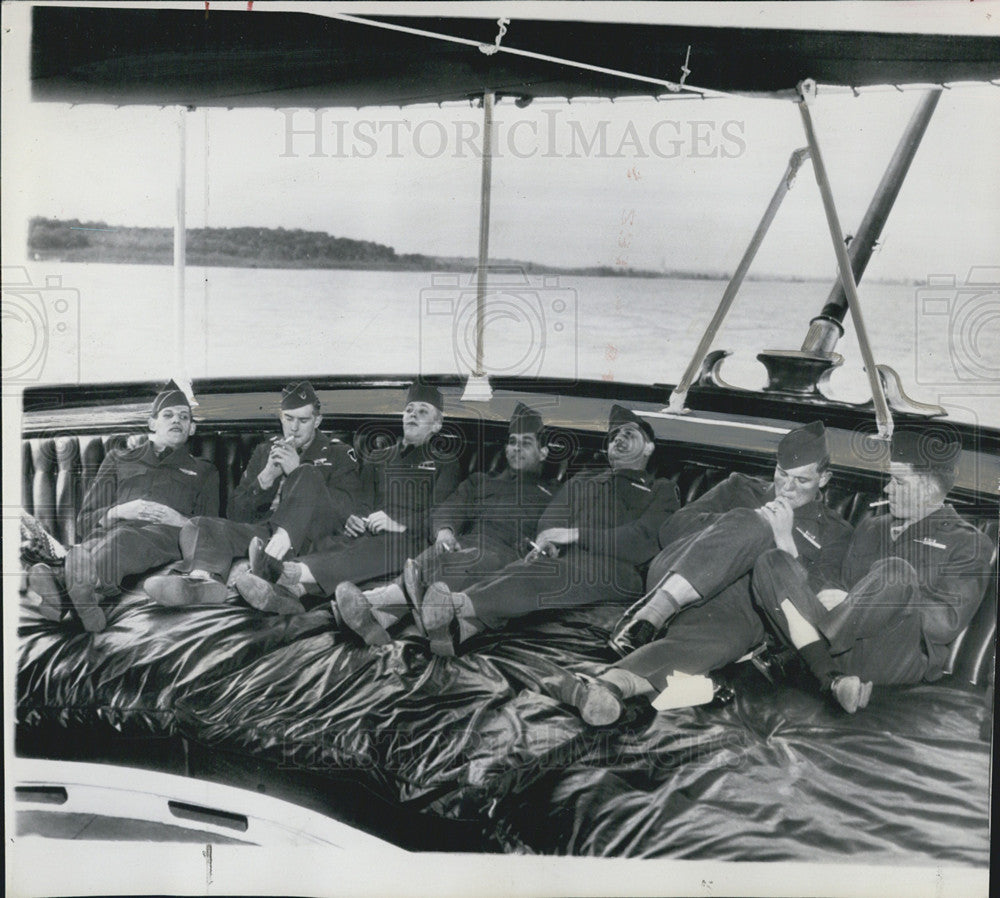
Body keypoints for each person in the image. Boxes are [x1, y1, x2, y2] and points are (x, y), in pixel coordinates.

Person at [558, 420, 853, 725]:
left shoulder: (836, 532)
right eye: (782, 473)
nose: (787, 488)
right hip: (676, 574)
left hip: (740, 610)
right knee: (754, 523)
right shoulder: (740, 487)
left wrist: (785, 544)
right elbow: (671, 530)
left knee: (728, 640)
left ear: (824, 478)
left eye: (801, 481)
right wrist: (737, 526)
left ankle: (610, 686)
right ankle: (652, 614)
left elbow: (817, 600)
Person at [752, 427, 993, 713]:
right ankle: (832, 678)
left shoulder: (969, 542)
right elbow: (835, 590)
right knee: (772, 560)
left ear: (928, 488)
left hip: (896, 655)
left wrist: (869, 600)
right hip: (844, 650)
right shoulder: (871, 527)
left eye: (898, 482)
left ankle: (803, 655)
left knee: (896, 572)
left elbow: (945, 623)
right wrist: (831, 590)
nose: (887, 488)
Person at [411, 404, 680, 656]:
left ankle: (453, 605)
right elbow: (551, 521)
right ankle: (460, 632)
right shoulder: (584, 479)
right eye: (613, 437)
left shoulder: (661, 489)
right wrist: (548, 542)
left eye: (629, 434)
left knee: (545, 572)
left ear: (648, 448)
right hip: (565, 559)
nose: (618, 439)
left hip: (618, 568)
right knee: (519, 567)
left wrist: (575, 535)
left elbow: (645, 538)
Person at [334, 402, 558, 645]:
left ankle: (375, 605)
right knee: (438, 554)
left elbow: (558, 528)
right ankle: (433, 622)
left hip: (510, 554)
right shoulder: (481, 481)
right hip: (466, 544)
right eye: (512, 442)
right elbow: (451, 507)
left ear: (543, 452)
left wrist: (550, 546)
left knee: (469, 560)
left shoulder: (553, 492)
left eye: (525, 443)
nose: (515, 448)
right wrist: (444, 532)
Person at [235, 382, 461, 613]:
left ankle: (288, 573)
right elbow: (361, 501)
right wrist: (355, 517)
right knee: (334, 541)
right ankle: (292, 592)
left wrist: (400, 524)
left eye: (423, 411)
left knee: (388, 549)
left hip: (409, 536)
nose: (413, 415)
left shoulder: (446, 462)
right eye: (410, 409)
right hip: (370, 531)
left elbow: (441, 513)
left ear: (437, 424)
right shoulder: (379, 456)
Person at [143, 381, 363, 606]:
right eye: (288, 419)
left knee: (306, 474)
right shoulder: (264, 451)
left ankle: (272, 572)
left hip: (311, 536)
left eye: (303, 420)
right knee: (200, 525)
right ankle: (202, 582)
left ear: (317, 421)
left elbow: (344, 514)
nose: (294, 428)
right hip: (264, 534)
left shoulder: (339, 454)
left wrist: (297, 472)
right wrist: (265, 478)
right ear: (280, 417)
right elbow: (235, 514)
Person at [26, 380, 219, 633]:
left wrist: (179, 520)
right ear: (152, 424)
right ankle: (84, 600)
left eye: (184, 417)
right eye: (168, 415)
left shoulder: (204, 470)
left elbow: (213, 529)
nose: (177, 421)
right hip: (101, 536)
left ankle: (66, 591)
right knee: (88, 548)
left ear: (191, 428)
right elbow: (85, 521)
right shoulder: (118, 459)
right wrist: (120, 511)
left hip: (163, 537)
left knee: (121, 538)